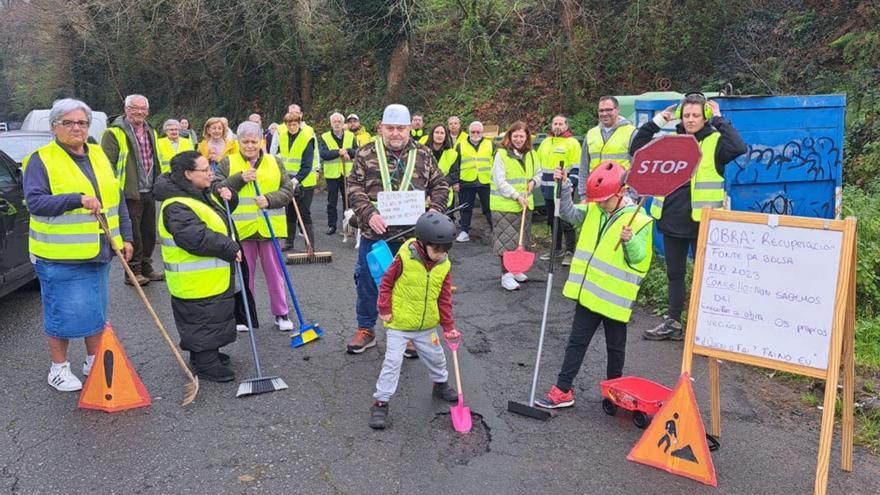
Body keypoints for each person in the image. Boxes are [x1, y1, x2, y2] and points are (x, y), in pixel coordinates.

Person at [23, 98, 134, 391]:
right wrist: (76, 199)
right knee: (61, 312)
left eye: (82, 123)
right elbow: (35, 202)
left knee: (95, 310)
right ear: (54, 127)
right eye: (69, 123)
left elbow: (116, 198)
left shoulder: (98, 154)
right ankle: (58, 368)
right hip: (59, 255)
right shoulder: (41, 159)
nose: (77, 128)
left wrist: (126, 237)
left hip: (99, 251)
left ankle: (92, 360)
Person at [535, 162, 653, 409]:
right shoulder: (594, 210)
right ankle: (563, 390)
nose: (599, 204)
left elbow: (640, 260)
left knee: (615, 348)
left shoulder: (640, 221)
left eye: (604, 200)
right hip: (589, 294)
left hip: (615, 299)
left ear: (620, 193)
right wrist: (565, 185)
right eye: (596, 200)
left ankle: (615, 391)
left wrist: (629, 241)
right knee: (576, 342)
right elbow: (569, 214)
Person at [634, 92, 746, 341]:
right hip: (671, 218)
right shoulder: (669, 141)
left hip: (702, 221)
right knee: (674, 274)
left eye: (696, 115)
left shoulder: (716, 141)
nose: (691, 120)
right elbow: (636, 147)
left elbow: (739, 147)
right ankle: (673, 322)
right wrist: (659, 120)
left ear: (704, 117)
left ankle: (705, 325)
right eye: (686, 115)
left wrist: (719, 119)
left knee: (705, 275)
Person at [346, 103, 449, 356]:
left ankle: (408, 334)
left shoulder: (424, 154)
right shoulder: (366, 152)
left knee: (410, 284)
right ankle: (366, 329)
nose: (395, 133)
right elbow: (353, 188)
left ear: (409, 128)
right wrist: (368, 215)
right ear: (381, 128)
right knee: (369, 281)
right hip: (376, 232)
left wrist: (435, 210)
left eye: (401, 128)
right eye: (390, 128)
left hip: (413, 236)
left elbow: (441, 185)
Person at [154, 150, 241, 382]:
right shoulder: (177, 204)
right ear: (188, 174)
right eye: (205, 170)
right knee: (201, 318)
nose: (210, 174)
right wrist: (229, 247)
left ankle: (206, 354)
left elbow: (219, 217)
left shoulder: (199, 193)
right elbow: (195, 237)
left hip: (208, 277)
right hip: (194, 279)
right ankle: (205, 362)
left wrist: (229, 197)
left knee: (211, 316)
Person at [369, 211, 461, 429]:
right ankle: (381, 402)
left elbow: (444, 297)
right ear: (422, 242)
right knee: (392, 362)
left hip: (426, 325)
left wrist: (449, 327)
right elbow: (386, 284)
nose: (440, 254)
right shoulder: (404, 258)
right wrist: (384, 308)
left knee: (437, 357)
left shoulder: (444, 264)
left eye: (445, 249)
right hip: (399, 324)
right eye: (436, 249)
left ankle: (440, 384)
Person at [214, 121, 296, 331]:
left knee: (275, 274)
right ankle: (244, 316)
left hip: (270, 229)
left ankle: (281, 314)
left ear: (261, 140)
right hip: (241, 231)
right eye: (245, 142)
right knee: (243, 275)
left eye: (253, 141)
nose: (250, 146)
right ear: (238, 142)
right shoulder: (227, 163)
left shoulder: (274, 161)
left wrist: (269, 199)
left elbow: (287, 191)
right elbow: (215, 189)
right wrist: (239, 179)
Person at [101, 94, 162, 286]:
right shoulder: (114, 133)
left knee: (149, 233)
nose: (139, 112)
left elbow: (155, 159)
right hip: (128, 191)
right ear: (126, 109)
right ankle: (132, 271)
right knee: (133, 234)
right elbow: (107, 164)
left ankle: (146, 266)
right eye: (135, 108)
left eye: (143, 109)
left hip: (149, 189)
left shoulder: (151, 130)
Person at [490, 121, 541, 291]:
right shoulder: (502, 154)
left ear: (527, 137)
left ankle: (516, 270)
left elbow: (538, 173)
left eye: (522, 136)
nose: (518, 139)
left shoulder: (532, 154)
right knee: (506, 242)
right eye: (515, 136)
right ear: (509, 137)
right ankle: (506, 275)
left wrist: (534, 182)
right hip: (505, 205)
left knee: (521, 239)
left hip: (525, 205)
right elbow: (500, 181)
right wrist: (516, 196)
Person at [536, 115, 580, 265]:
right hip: (547, 190)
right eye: (555, 123)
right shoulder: (546, 142)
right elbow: (537, 163)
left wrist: (571, 183)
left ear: (566, 125)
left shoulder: (572, 143)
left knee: (566, 220)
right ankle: (556, 248)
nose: (557, 126)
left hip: (563, 189)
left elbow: (577, 166)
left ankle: (570, 251)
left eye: (561, 123)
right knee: (552, 220)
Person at [578, 96, 637, 198]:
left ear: (618, 110)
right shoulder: (591, 134)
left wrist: (633, 196)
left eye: (609, 110)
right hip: (595, 192)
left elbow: (636, 168)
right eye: (601, 110)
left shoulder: (631, 132)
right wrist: (583, 194)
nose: (604, 114)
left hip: (621, 193)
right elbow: (584, 167)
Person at [275, 112, 317, 251]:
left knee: (304, 214)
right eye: (289, 124)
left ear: (299, 123)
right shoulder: (283, 137)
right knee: (290, 213)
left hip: (305, 182)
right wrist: (286, 179)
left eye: (295, 124)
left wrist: (296, 180)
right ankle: (289, 243)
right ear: (285, 125)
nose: (292, 127)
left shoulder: (307, 138)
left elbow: (307, 165)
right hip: (288, 180)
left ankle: (310, 245)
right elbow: (282, 158)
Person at [454, 121, 494, 242]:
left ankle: (495, 231)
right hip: (466, 180)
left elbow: (497, 163)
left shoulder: (490, 144)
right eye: (473, 132)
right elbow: (455, 165)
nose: (475, 134)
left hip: (485, 181)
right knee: (465, 208)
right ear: (469, 132)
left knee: (489, 208)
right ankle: (464, 231)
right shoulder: (461, 145)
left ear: (482, 132)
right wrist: (455, 182)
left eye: (478, 132)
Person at [319, 112, 357, 235]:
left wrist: (347, 151)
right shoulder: (325, 137)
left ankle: (348, 226)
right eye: (334, 122)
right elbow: (323, 154)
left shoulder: (351, 136)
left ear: (342, 123)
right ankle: (332, 225)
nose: (336, 124)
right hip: (332, 175)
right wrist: (338, 152)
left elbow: (356, 151)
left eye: (339, 121)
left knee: (348, 201)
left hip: (347, 174)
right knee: (332, 202)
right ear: (331, 123)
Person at [427, 123, 459, 209]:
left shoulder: (452, 154)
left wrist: (439, 186)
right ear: (432, 134)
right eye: (437, 132)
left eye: (442, 133)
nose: (439, 135)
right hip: (426, 196)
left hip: (444, 195)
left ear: (446, 136)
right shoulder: (423, 152)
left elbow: (454, 174)